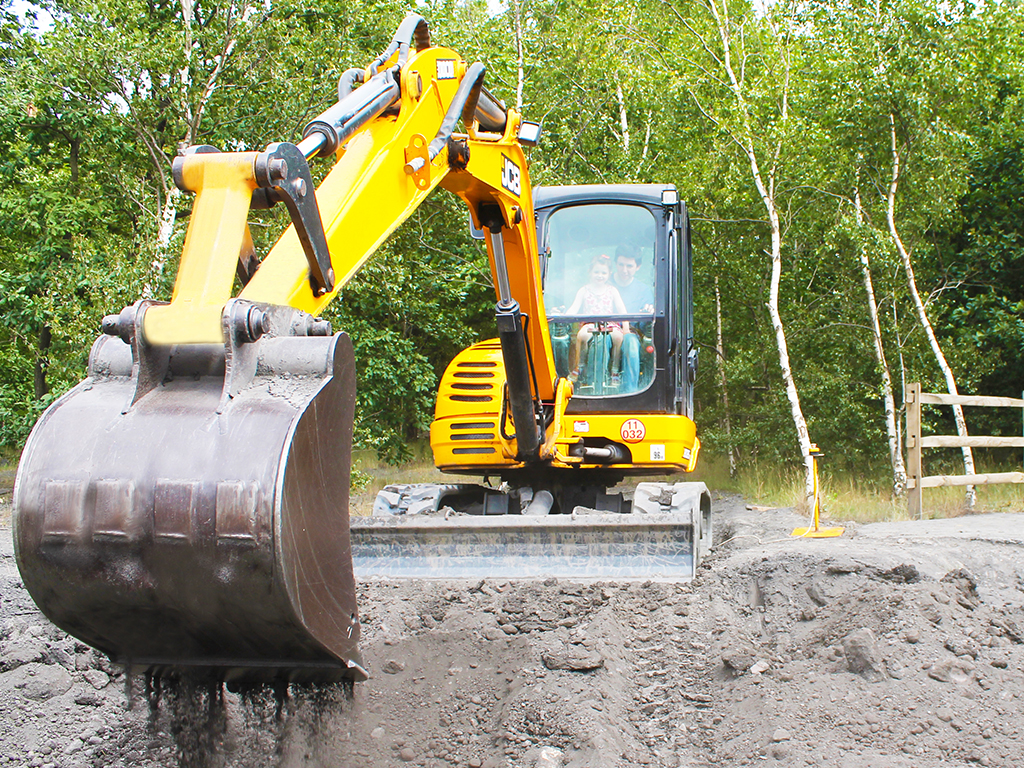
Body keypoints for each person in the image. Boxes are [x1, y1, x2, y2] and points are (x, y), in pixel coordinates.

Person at [564, 255, 629, 383]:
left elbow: (622, 310)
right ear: (590, 272)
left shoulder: (612, 291)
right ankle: (579, 366)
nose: (600, 275)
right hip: (590, 324)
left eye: (604, 273)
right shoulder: (584, 290)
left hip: (609, 324)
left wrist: (625, 328)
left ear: (609, 274)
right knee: (581, 335)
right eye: (597, 272)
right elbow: (574, 307)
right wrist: (564, 317)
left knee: (618, 337)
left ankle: (614, 369)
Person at [612, 245, 655, 392]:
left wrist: (650, 311)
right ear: (615, 263)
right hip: (607, 331)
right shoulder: (605, 284)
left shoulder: (643, 291)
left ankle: (629, 392)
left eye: (629, 266)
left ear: (638, 267)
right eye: (621, 265)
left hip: (631, 334)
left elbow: (645, 325)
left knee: (630, 343)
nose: (624, 270)